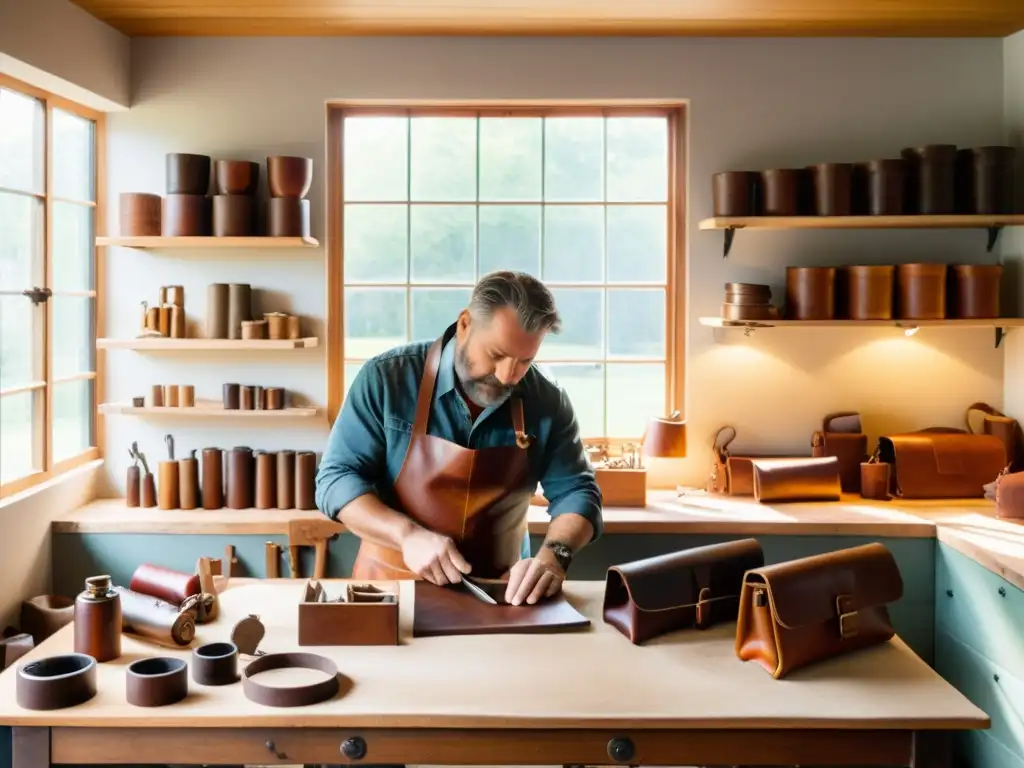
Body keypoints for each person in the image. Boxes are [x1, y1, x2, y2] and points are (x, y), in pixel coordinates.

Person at [315, 270, 603, 606]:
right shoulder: (386, 379)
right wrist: (407, 536)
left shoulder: (547, 400)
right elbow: (336, 480)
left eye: (525, 361)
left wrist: (555, 557)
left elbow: (577, 492)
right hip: (391, 591)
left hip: (503, 596)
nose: (507, 376)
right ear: (465, 324)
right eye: (496, 354)